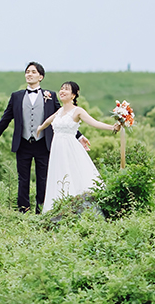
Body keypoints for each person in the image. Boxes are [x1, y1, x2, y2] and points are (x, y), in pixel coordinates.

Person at [0, 62, 89, 213]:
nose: (29, 74)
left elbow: (63, 117)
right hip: (23, 143)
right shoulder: (16, 97)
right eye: (27, 72)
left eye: (33, 72)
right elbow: (5, 120)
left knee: (43, 178)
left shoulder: (50, 96)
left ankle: (42, 210)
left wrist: (79, 136)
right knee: (23, 179)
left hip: (43, 143)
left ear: (41, 77)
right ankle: (23, 212)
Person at [36, 81, 120, 211]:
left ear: (73, 95)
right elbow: (49, 120)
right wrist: (40, 127)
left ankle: (77, 208)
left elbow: (94, 122)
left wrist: (112, 127)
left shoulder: (77, 111)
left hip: (70, 148)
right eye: (61, 89)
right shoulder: (59, 111)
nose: (62, 91)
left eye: (66, 90)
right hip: (57, 149)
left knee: (73, 174)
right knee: (58, 175)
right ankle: (58, 208)